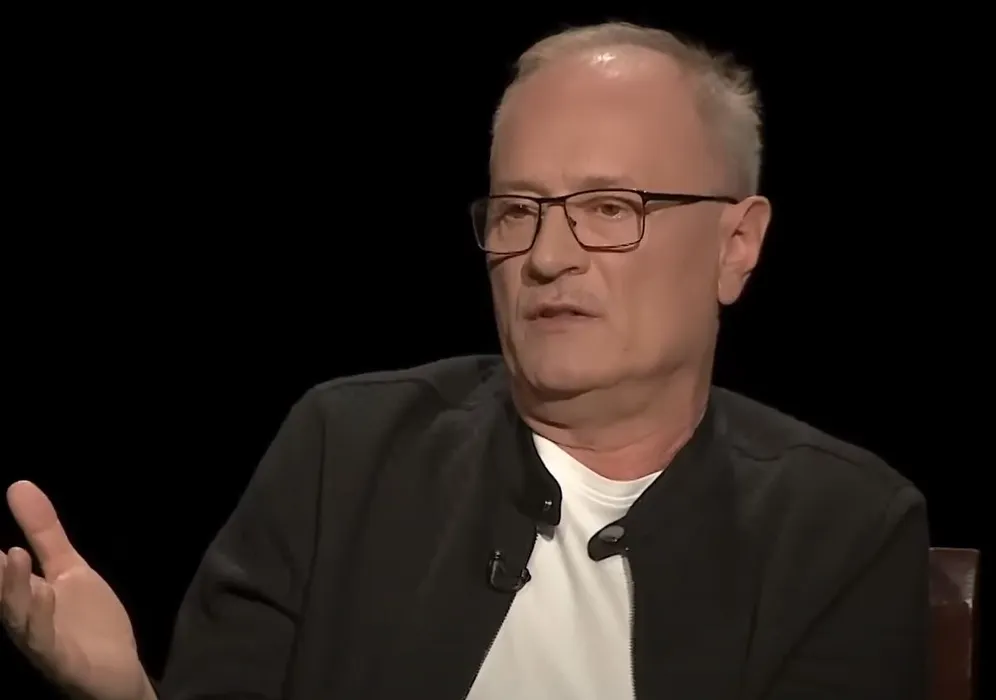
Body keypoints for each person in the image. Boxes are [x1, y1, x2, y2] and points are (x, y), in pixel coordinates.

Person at [1, 21, 928, 700]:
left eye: (610, 208)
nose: (548, 256)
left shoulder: (844, 528)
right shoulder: (344, 451)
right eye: (519, 210)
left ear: (736, 244)